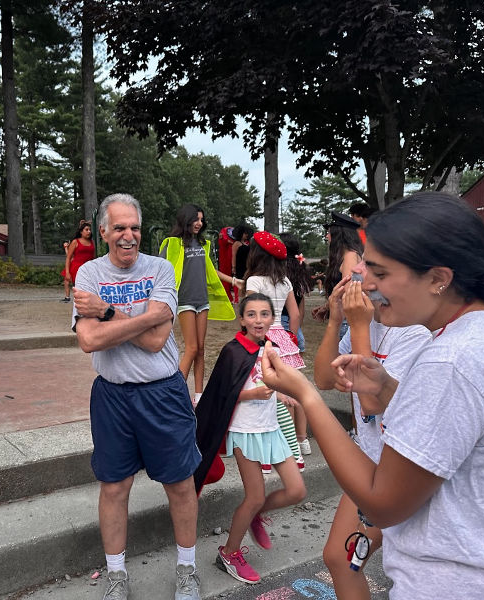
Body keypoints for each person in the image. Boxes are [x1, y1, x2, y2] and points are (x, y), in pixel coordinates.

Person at [260, 192, 484, 599]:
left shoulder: (451, 361)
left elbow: (382, 505)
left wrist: (306, 397)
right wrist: (389, 389)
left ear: (438, 278)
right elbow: (463, 430)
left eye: (379, 271)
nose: (365, 282)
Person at [72, 193, 202, 600]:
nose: (128, 236)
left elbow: (158, 340)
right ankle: (116, 575)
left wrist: (107, 312)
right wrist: (143, 318)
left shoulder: (160, 268)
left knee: (180, 484)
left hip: (163, 393)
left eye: (135, 228)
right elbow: (89, 341)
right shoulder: (89, 274)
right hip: (112, 396)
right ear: (104, 231)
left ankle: (187, 570)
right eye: (119, 228)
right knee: (114, 487)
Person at [313, 270, 430, 600]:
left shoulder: (415, 332)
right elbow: (323, 379)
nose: (356, 276)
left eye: (370, 267)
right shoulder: (367, 324)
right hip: (370, 464)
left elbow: (371, 402)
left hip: (401, 469)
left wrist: (359, 326)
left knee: (404, 569)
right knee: (339, 558)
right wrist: (337, 321)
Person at [193, 293, 307, 585]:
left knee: (297, 490)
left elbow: (270, 382)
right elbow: (221, 395)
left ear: (272, 318)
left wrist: (282, 394)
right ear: (242, 319)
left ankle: (257, 513)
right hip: (245, 431)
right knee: (254, 496)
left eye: (264, 314)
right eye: (252, 314)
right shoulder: (233, 351)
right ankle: (229, 553)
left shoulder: (272, 348)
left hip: (271, 429)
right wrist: (253, 394)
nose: (258, 320)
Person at [243, 231, 307, 471]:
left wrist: (251, 338)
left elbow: (253, 314)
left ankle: (276, 451)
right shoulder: (285, 281)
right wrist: (290, 337)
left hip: (264, 339)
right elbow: (295, 314)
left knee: (272, 396)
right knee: (292, 393)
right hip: (284, 337)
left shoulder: (254, 281)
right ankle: (297, 446)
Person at [159, 205, 236, 404]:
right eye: (196, 219)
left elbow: (210, 270)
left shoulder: (203, 244)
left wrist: (235, 281)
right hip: (185, 301)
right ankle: (173, 394)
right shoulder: (172, 243)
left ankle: (199, 397)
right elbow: (160, 269)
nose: (199, 223)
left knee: (201, 349)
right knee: (192, 348)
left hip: (202, 302)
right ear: (186, 219)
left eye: (201, 219)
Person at [311, 212, 364, 337]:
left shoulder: (350, 256)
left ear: (338, 235)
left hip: (347, 323)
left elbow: (347, 293)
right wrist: (327, 307)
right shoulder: (349, 255)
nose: (326, 236)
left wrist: (329, 306)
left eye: (329, 233)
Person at [61, 220, 96, 302]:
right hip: (76, 268)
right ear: (81, 232)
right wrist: (67, 272)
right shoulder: (75, 242)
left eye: (90, 230)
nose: (89, 231)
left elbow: (94, 257)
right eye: (86, 230)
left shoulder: (92, 242)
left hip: (89, 268)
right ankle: (69, 298)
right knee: (76, 287)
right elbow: (68, 258)